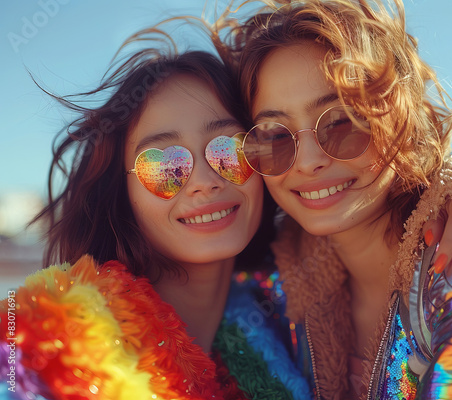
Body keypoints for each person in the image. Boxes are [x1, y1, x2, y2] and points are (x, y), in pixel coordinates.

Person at [0, 32, 311, 399]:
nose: (204, 182)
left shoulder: (289, 332)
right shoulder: (39, 353)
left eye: (229, 150)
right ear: (121, 191)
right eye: (165, 165)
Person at [213, 0, 452, 398]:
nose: (309, 161)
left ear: (399, 114)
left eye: (341, 121)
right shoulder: (278, 293)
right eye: (275, 137)